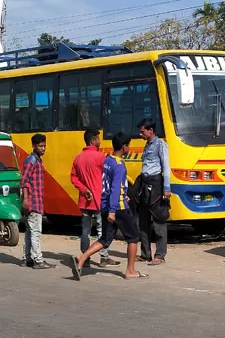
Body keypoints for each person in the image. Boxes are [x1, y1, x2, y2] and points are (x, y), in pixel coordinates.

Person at [70, 132, 147, 281]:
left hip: (104, 204)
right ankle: (130, 270)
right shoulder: (118, 165)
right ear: (124, 147)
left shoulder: (108, 160)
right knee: (133, 237)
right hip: (117, 207)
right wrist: (113, 210)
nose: (129, 148)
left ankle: (82, 257)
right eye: (128, 145)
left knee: (105, 238)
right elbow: (116, 187)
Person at [70, 129, 120, 268]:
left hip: (84, 201)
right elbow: (109, 178)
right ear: (92, 140)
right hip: (99, 200)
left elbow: (73, 178)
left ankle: (85, 257)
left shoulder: (78, 158)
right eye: (98, 138)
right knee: (101, 230)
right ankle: (104, 257)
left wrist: (84, 190)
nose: (100, 141)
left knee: (85, 231)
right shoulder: (101, 157)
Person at [136, 118, 171, 265]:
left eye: (142, 131)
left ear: (151, 130)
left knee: (158, 220)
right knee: (143, 221)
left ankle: (160, 255)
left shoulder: (160, 145)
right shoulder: (147, 145)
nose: (140, 134)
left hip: (156, 185)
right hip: (145, 185)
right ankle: (145, 254)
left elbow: (166, 166)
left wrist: (167, 188)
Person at [21, 133, 56, 270]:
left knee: (30, 232)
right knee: (36, 231)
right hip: (33, 202)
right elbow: (24, 181)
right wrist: (25, 198)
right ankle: (38, 260)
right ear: (34, 146)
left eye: (44, 146)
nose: (43, 149)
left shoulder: (37, 160)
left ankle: (27, 258)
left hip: (36, 201)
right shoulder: (32, 161)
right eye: (40, 146)